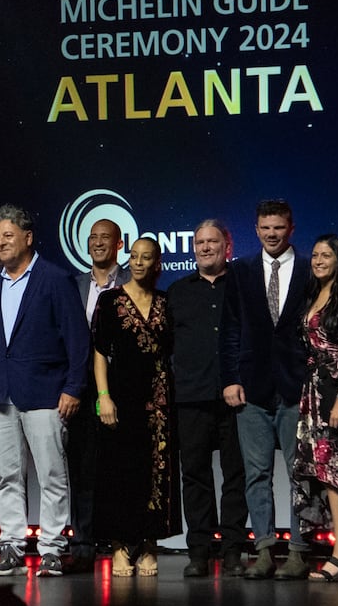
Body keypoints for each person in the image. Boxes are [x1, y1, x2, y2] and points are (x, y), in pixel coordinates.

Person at [0, 204, 90, 577]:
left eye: (8, 236)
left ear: (27, 237)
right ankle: (11, 547)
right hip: (0, 395)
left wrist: (73, 387)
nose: (0, 243)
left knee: (51, 475)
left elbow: (77, 338)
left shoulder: (54, 278)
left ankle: (53, 549)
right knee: (7, 476)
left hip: (46, 394)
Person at [221, 198, 311, 579]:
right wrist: (230, 378)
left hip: (297, 387)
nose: (272, 234)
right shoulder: (240, 271)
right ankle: (263, 549)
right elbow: (230, 329)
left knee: (299, 474)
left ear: (291, 229)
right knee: (256, 473)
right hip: (252, 389)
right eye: (265, 228)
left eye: (279, 227)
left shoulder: (310, 270)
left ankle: (298, 551)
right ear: (256, 230)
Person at [91, 236, 178, 576]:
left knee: (154, 473)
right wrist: (103, 397)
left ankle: (149, 544)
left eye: (147, 258)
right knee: (119, 472)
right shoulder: (110, 301)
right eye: (135, 256)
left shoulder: (166, 302)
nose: (139, 263)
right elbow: (99, 351)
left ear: (157, 264)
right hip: (119, 399)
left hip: (157, 401)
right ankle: (118, 546)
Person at [288, 234, 338, 580]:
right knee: (323, 475)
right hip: (313, 394)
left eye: (327, 255)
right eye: (316, 254)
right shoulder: (312, 294)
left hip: (337, 394)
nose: (319, 260)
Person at [167, 219, 247, 577]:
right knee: (195, 476)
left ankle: (232, 550)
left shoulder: (244, 286)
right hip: (191, 397)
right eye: (198, 242)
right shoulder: (178, 291)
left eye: (211, 241)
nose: (204, 247)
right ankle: (198, 550)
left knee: (236, 475)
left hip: (236, 397)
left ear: (227, 245)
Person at [70, 217, 125, 574]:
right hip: (79, 389)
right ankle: (83, 544)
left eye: (106, 237)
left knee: (121, 468)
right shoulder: (71, 284)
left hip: (122, 390)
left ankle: (122, 542)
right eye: (93, 238)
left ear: (120, 244)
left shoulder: (135, 283)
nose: (98, 243)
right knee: (82, 469)